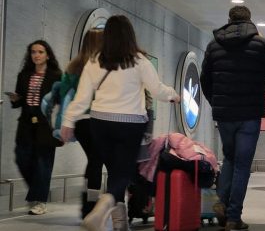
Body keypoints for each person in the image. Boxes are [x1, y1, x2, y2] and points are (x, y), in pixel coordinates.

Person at [61, 15, 179, 231]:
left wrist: (68, 121)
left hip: (99, 123)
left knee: (115, 171)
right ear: (130, 35)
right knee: (123, 172)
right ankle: (104, 205)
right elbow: (157, 90)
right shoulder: (139, 61)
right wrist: (173, 95)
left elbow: (82, 98)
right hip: (130, 124)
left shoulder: (94, 61)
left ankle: (120, 222)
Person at [200, 5, 265, 231]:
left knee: (229, 158)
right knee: (242, 165)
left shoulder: (214, 45)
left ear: (229, 20)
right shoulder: (260, 44)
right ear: (249, 21)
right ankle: (233, 216)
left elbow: (205, 79)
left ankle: (221, 202)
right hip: (250, 114)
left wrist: (216, 102)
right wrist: (264, 43)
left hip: (225, 114)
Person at [47, 29, 104, 217]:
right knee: (97, 161)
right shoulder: (101, 66)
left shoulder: (73, 67)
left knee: (93, 160)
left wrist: (63, 123)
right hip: (97, 119)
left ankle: (88, 204)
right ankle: (91, 205)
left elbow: (65, 96)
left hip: (79, 123)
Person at [7, 40, 62, 215]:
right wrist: (15, 100)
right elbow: (20, 101)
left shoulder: (56, 75)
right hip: (25, 121)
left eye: (40, 52)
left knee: (43, 162)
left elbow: (60, 99)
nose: (36, 55)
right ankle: (38, 191)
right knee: (21, 158)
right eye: (33, 52)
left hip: (45, 123)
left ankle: (40, 201)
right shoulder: (24, 75)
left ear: (48, 55)